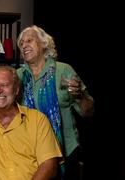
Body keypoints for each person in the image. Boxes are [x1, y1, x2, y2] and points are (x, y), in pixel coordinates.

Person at [16, 25, 95, 179]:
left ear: (44, 44)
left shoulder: (63, 70)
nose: (24, 45)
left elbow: (89, 112)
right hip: (30, 155)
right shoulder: (17, 77)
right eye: (21, 43)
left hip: (66, 154)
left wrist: (79, 96)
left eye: (29, 40)